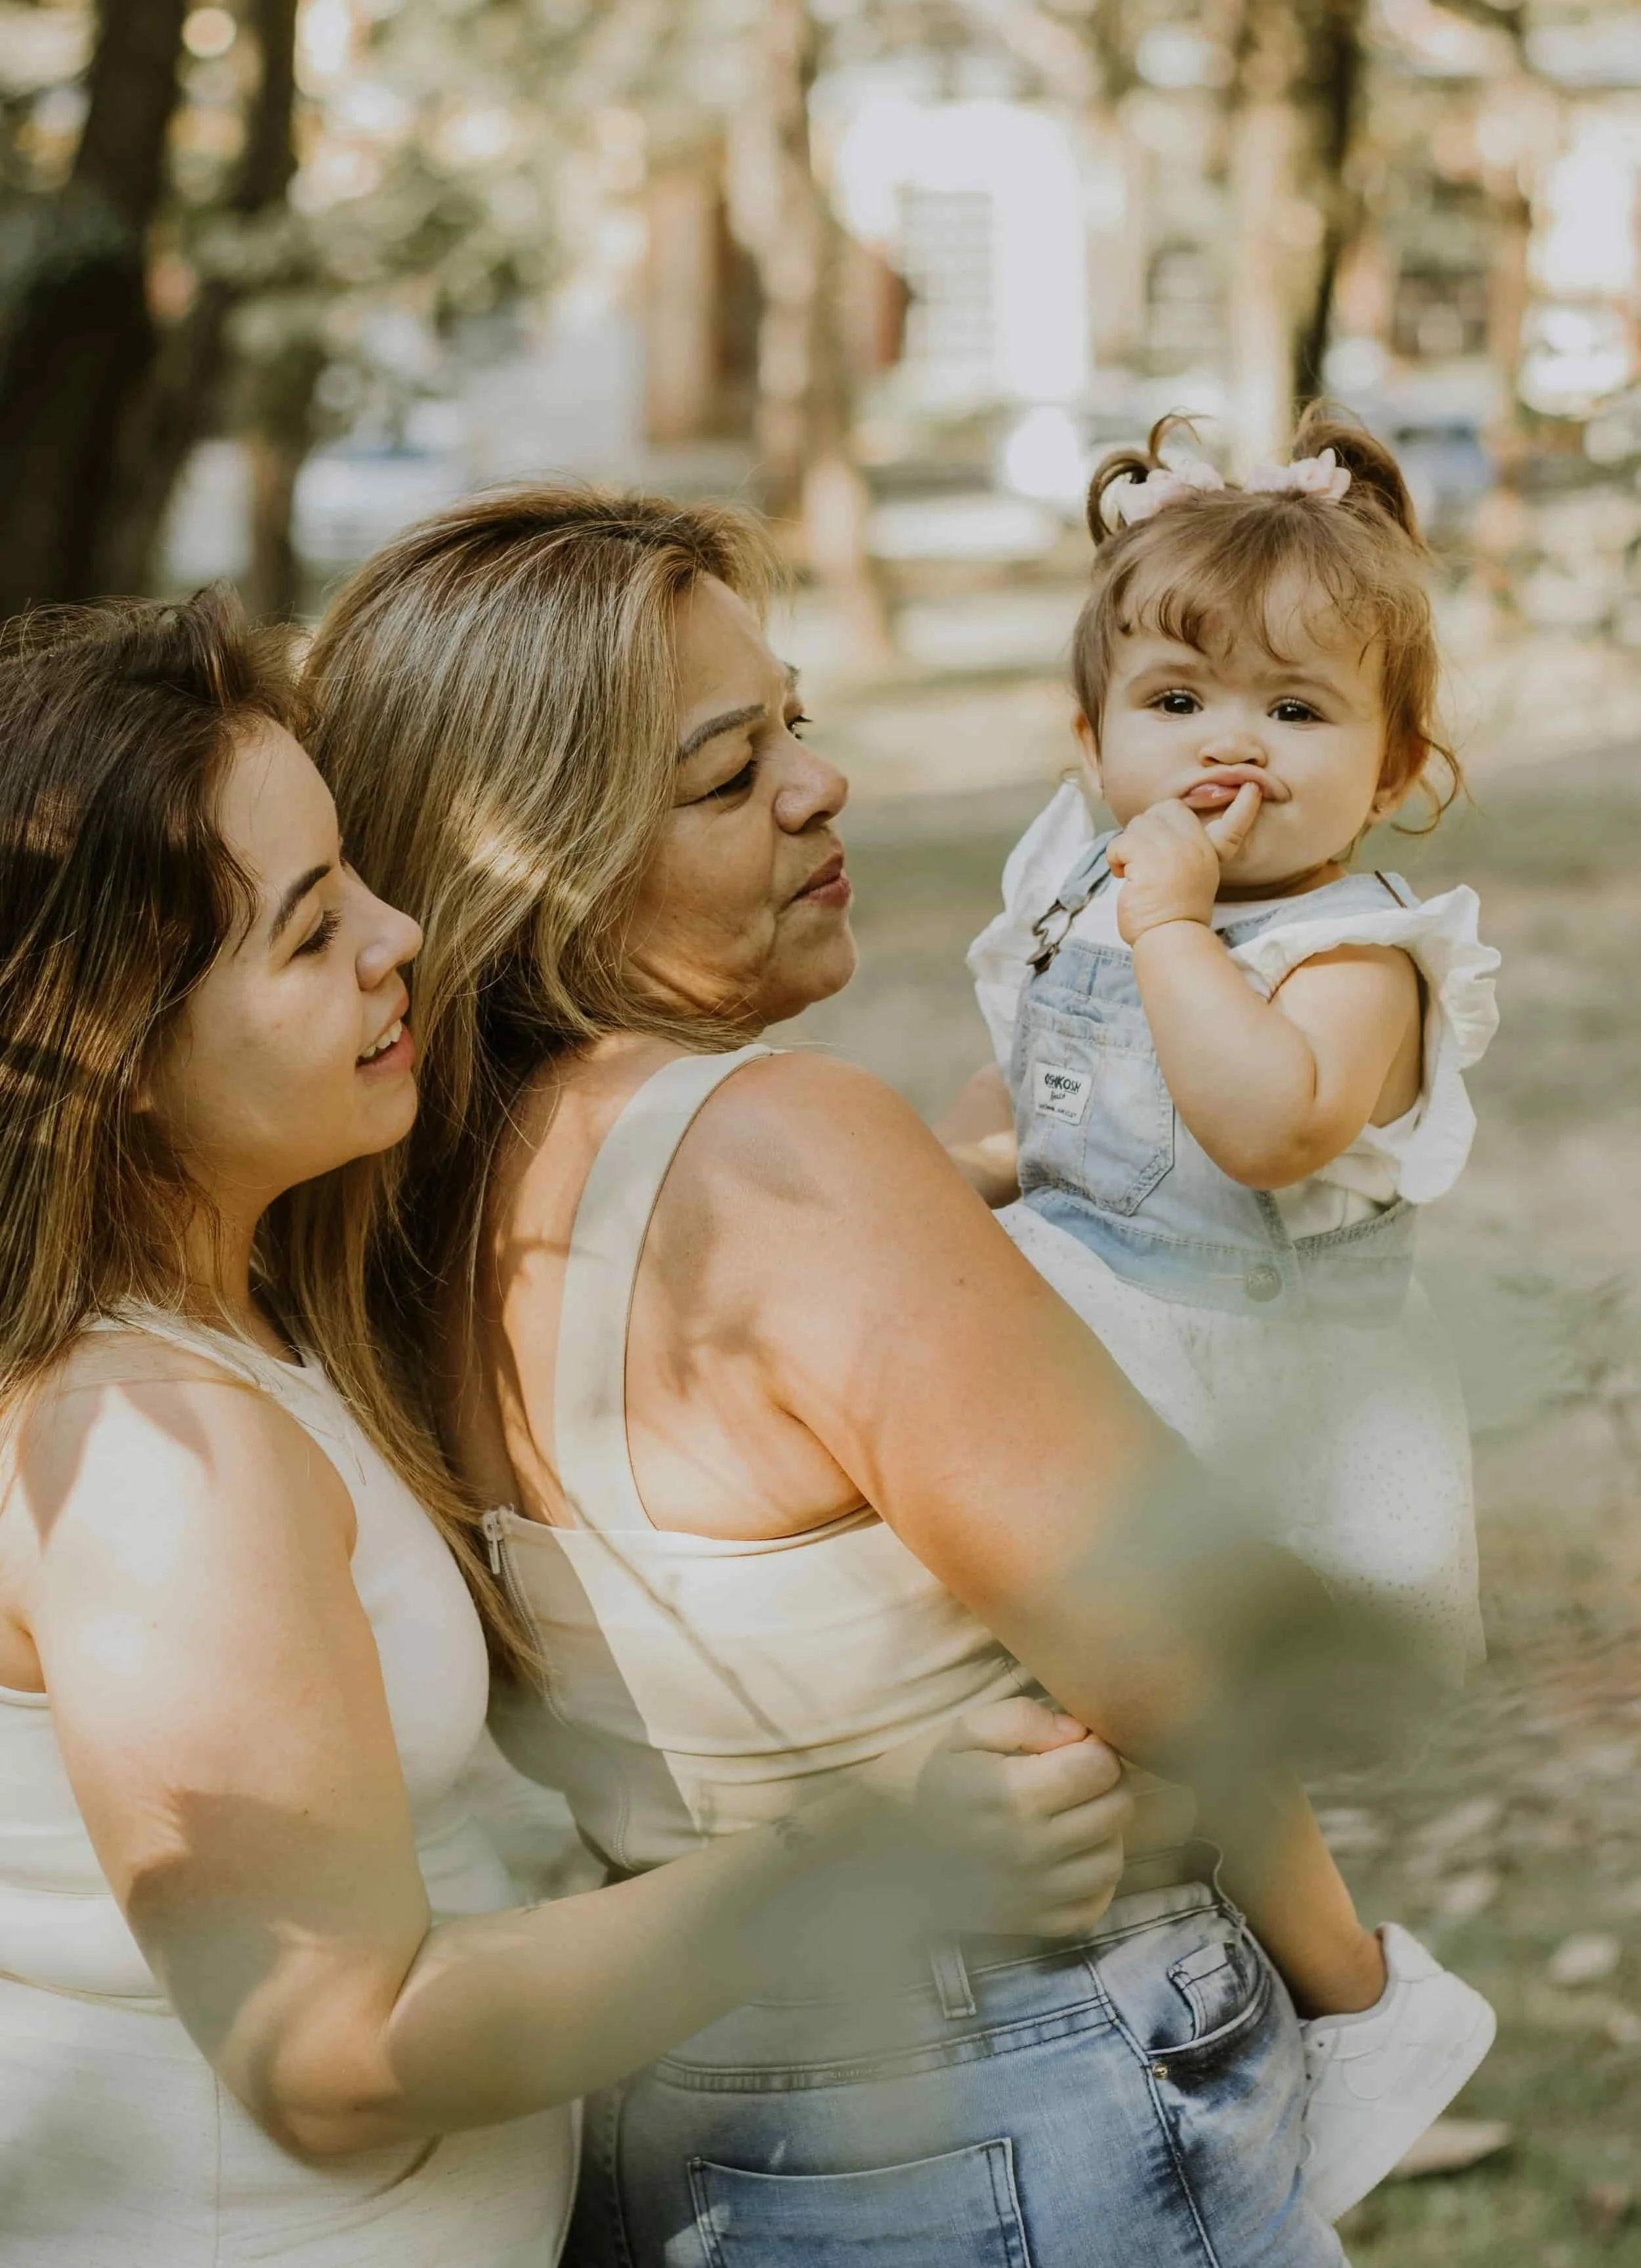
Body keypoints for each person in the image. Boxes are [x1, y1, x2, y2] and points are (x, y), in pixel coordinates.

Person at [300, 485, 1400, 2268]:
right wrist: (1359, 1994)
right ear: (539, 859)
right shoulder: (777, 1150)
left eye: (794, 721)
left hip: (684, 2088)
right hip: (1015, 2072)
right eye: (728, 774)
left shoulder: (397, 1209)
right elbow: (1190, 1652)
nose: (818, 784)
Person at [0, 589, 1140, 2268]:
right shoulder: (158, 1455)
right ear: (113, 1049)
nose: (397, 936)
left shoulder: (236, 1323)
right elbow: (326, 2053)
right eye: (310, 933)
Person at [955, 410, 1502, 2217]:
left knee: (1175, 1694)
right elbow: (1061, 1110)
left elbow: (1259, 1117)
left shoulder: (1358, 956)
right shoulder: (1088, 884)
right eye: (1177, 699)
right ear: (1090, 734)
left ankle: (1356, 1994)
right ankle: (1182, 1974)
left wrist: (1184, 932)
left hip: (1243, 1393)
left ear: (1397, 765)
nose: (1227, 751)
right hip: (1091, 1315)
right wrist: (980, 1173)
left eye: (1295, 710)